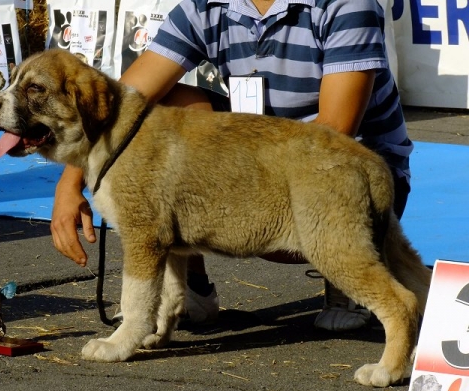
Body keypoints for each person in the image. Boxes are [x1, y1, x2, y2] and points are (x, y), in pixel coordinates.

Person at [50, 0, 413, 331]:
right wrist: (70, 184)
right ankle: (186, 288)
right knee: (164, 106)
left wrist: (236, 190)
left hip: (345, 177)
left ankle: (351, 274)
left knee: (324, 180)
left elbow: (335, 133)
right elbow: (121, 102)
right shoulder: (203, 7)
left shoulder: (347, 5)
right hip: (260, 163)